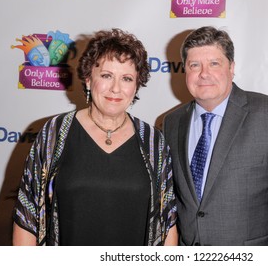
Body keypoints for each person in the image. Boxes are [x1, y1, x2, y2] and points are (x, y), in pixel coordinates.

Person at [12, 29, 178, 246]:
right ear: (89, 79)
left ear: (136, 85)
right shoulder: (54, 133)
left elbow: (167, 224)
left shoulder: (153, 142)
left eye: (126, 78)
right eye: (107, 75)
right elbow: (27, 215)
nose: (116, 88)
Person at [163, 26, 268, 245]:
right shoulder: (172, 123)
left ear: (231, 68)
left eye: (214, 64)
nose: (204, 73)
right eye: (194, 65)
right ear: (185, 70)